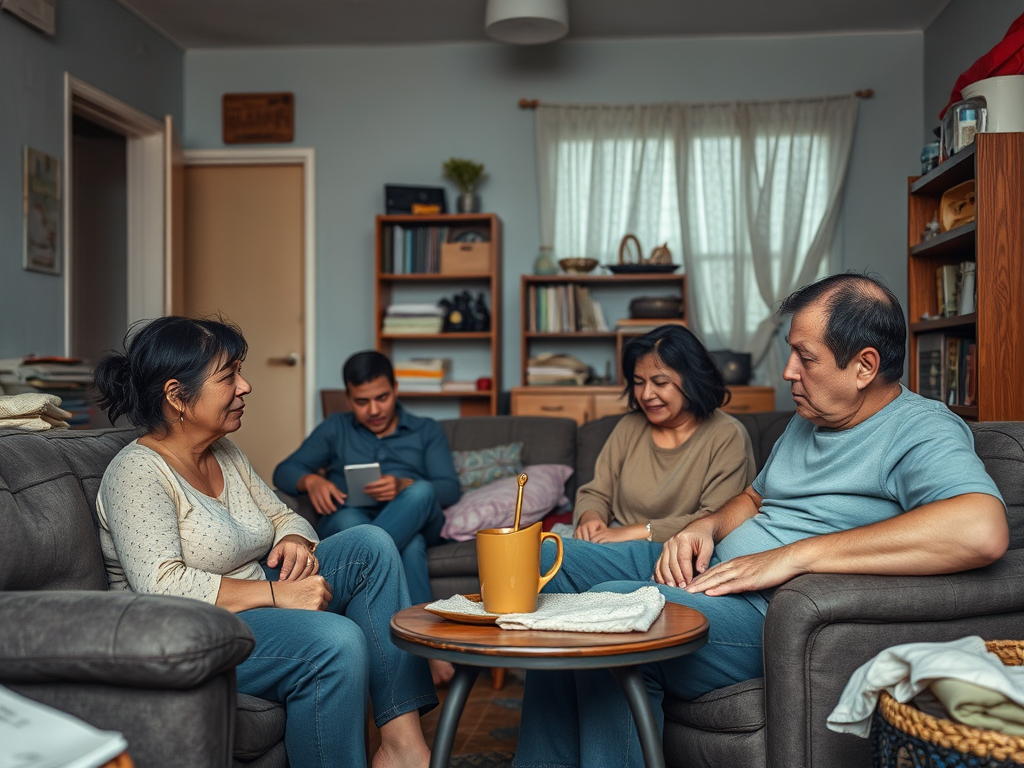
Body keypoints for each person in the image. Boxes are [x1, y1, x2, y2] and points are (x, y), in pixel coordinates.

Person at [513, 273, 1009, 768]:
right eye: (791, 352)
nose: (789, 371)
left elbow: (980, 530)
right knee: (542, 563)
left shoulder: (922, 430)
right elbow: (753, 497)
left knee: (612, 609)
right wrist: (704, 527)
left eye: (806, 357)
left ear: (864, 366)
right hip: (711, 575)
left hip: (768, 616)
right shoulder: (809, 417)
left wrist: (790, 558)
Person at [93, 317, 436, 768]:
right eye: (229, 375)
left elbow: (280, 513)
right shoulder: (136, 472)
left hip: (258, 596)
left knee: (370, 544)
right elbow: (159, 583)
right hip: (192, 630)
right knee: (336, 639)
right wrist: (278, 593)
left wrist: (295, 536)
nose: (246, 386)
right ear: (177, 395)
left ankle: (402, 747)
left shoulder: (225, 452)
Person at [273, 350, 461, 684]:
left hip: (414, 512)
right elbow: (284, 470)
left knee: (421, 492)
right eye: (362, 402)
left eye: (382, 398)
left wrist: (404, 484)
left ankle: (366, 562)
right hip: (354, 518)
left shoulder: (425, 429)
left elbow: (449, 488)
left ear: (396, 389)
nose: (374, 410)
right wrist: (311, 480)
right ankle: (422, 652)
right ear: (348, 398)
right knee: (389, 537)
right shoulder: (335, 428)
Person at [573, 324, 755, 547]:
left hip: (681, 549)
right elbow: (596, 491)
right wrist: (591, 516)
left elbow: (717, 519)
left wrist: (640, 532)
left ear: (692, 380)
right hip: (612, 538)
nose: (647, 394)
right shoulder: (629, 426)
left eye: (660, 383)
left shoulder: (727, 435)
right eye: (639, 383)